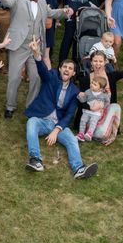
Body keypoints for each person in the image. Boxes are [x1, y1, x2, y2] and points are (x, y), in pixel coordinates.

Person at [0, 0, 72, 118]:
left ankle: (30, 106)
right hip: (19, 45)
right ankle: (10, 106)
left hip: (35, 47)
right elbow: (7, 1)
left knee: (36, 77)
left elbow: (52, 13)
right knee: (14, 77)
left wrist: (65, 12)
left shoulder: (42, 2)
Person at [24, 37, 98, 179]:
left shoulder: (75, 91)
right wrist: (36, 53)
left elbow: (70, 114)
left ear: (73, 73)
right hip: (41, 119)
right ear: (60, 69)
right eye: (65, 67)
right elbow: (42, 69)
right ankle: (36, 160)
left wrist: (56, 131)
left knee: (71, 139)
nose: (67, 70)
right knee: (31, 123)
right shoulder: (51, 77)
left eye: (70, 68)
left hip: (58, 124)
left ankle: (79, 169)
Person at [76, 76, 110, 142]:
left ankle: (90, 133)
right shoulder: (88, 91)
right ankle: (81, 134)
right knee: (83, 120)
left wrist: (103, 107)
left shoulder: (104, 95)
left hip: (96, 113)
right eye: (92, 83)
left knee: (93, 122)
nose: (92, 85)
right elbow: (83, 101)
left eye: (95, 84)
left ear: (100, 89)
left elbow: (107, 101)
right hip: (87, 111)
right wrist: (80, 96)